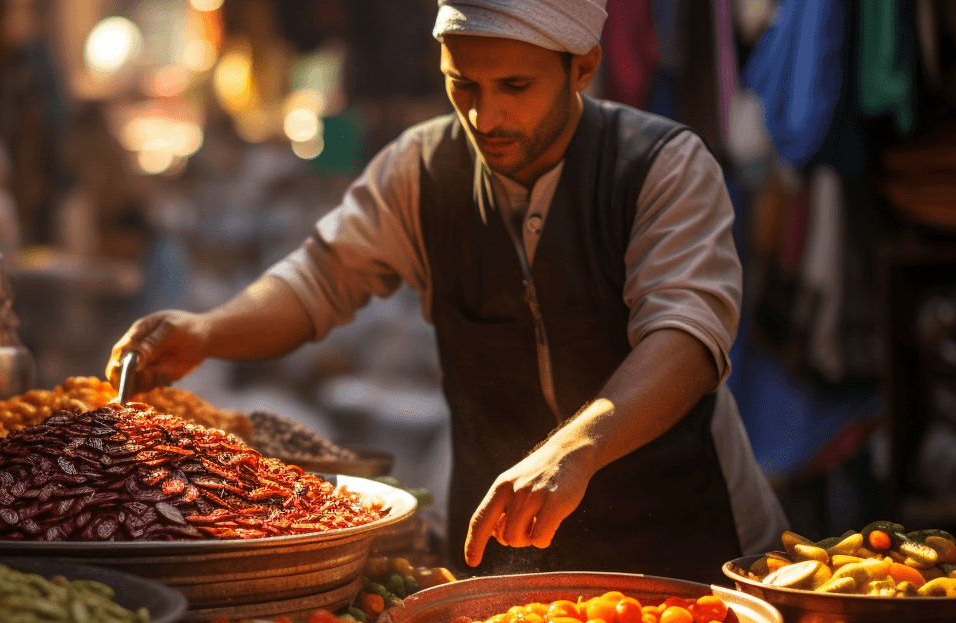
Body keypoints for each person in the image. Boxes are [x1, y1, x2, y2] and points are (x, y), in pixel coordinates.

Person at [108, 0, 786, 582]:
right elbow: (318, 279)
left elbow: (688, 335)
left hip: (688, 550)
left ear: (582, 67)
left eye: (515, 86)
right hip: (506, 565)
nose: (485, 116)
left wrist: (571, 450)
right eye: (463, 85)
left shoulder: (662, 165)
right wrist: (207, 331)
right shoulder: (422, 168)